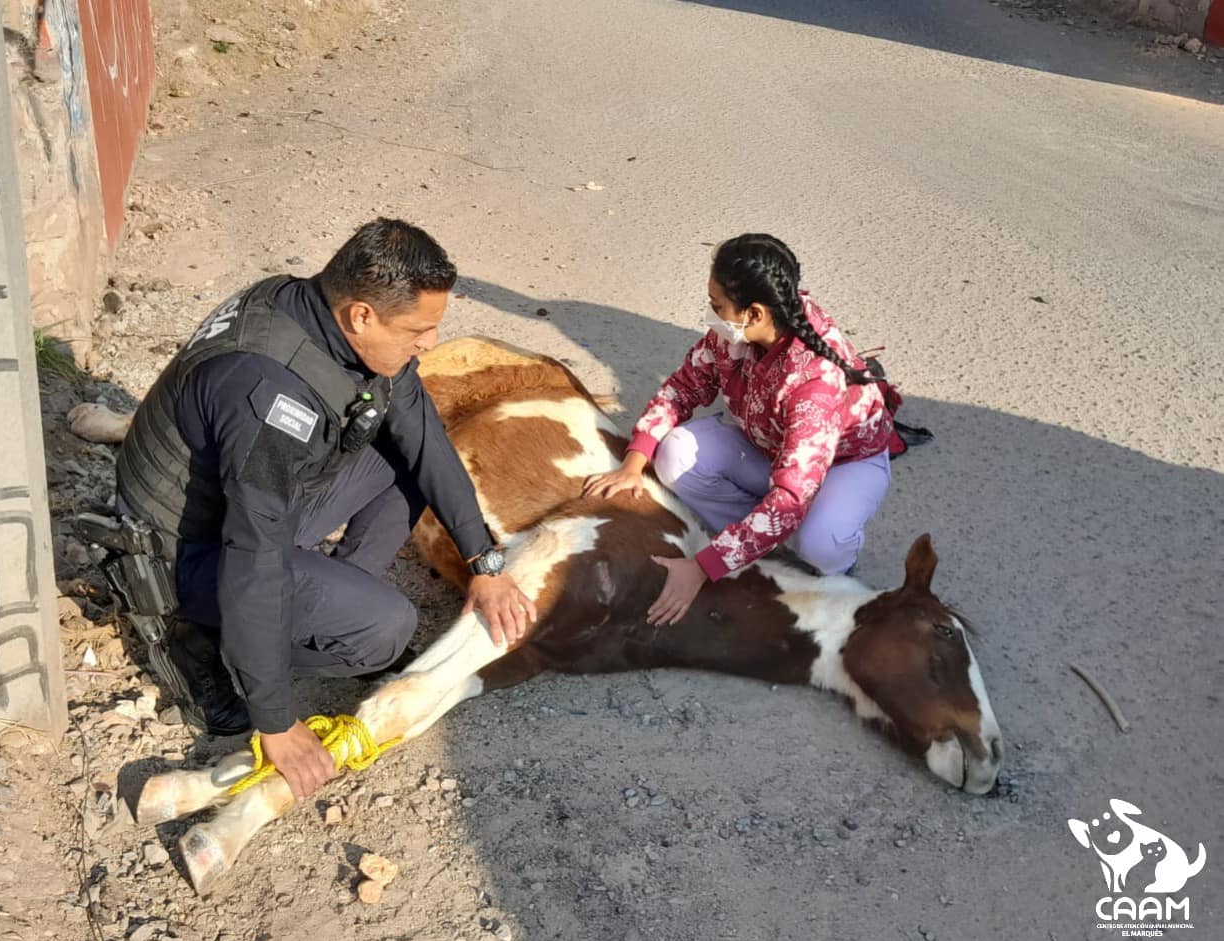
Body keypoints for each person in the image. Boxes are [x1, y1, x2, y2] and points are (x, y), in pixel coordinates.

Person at [116, 218, 536, 799]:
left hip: (246, 505)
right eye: (421, 329)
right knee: (386, 630)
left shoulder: (318, 309)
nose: (431, 343)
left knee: (402, 463)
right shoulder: (267, 395)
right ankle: (200, 643)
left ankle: (324, 604)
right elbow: (253, 557)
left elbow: (424, 439)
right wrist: (276, 720)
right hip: (185, 551)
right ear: (361, 315)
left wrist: (485, 562)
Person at [584, 233, 895, 625]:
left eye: (717, 306)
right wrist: (633, 461)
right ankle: (759, 538)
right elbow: (683, 387)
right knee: (674, 455)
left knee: (822, 543)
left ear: (755, 314)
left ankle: (806, 552)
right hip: (770, 448)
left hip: (844, 465)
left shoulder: (814, 382)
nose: (711, 316)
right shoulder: (737, 333)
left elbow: (790, 496)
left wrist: (701, 567)